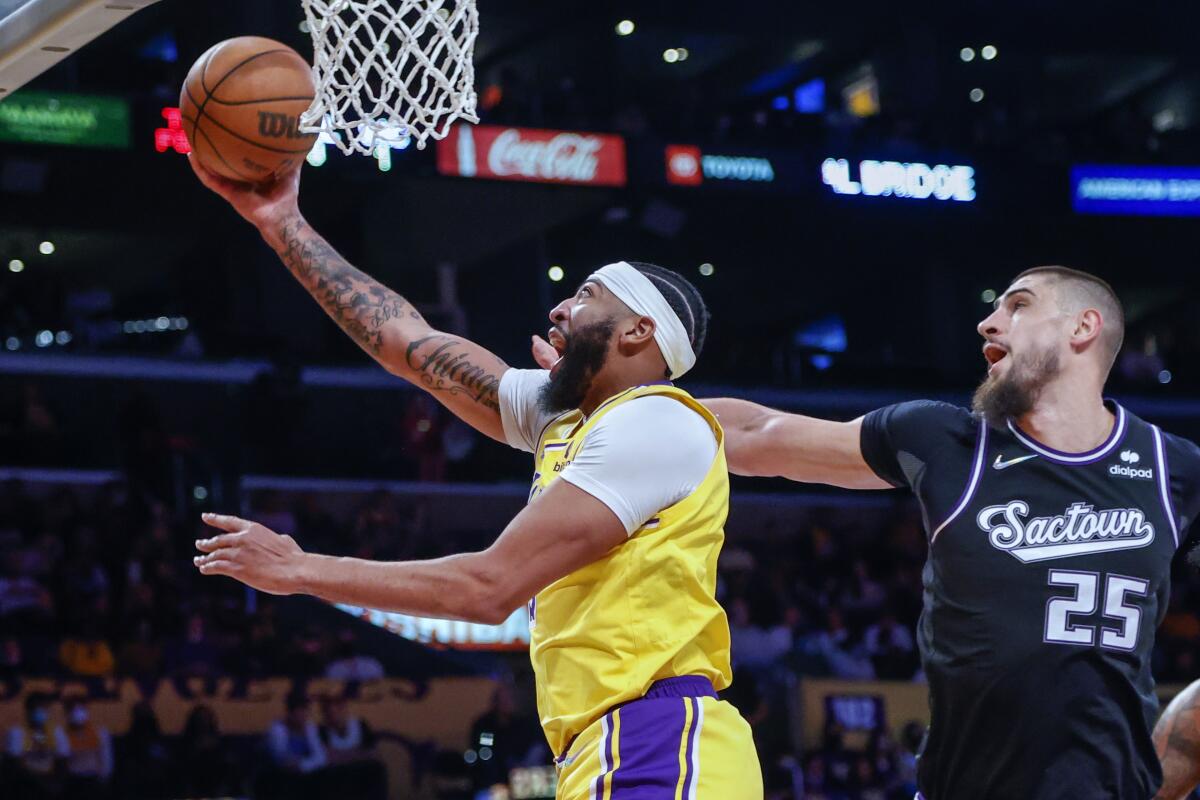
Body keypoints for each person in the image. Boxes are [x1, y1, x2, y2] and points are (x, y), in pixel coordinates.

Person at [187, 157, 762, 798]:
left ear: (638, 330)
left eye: (586, 296)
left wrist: (299, 571)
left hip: (660, 739)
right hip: (608, 748)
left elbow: (488, 588)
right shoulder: (570, 423)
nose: (559, 308)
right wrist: (281, 223)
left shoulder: (654, 422)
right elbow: (405, 341)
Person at [675, 267, 1200, 799]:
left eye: (1017, 306)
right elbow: (758, 432)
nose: (987, 323)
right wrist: (626, 418)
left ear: (1082, 327)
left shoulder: (1172, 468)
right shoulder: (947, 443)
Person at [318, 695, 387, 800]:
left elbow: (373, 753)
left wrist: (341, 755)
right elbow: (327, 758)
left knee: (377, 768)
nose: (332, 716)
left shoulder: (361, 726)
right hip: (338, 776)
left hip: (360, 774)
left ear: (344, 710)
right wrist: (357, 753)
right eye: (327, 713)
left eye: (336, 711)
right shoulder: (322, 731)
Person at [4, 692, 69, 798]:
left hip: (49, 785)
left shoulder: (57, 733)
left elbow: (63, 760)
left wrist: (57, 785)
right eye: (36, 708)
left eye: (44, 708)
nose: (40, 712)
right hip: (24, 787)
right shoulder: (16, 733)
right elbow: (13, 764)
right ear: (28, 711)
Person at [62, 695, 113, 799]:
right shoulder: (62, 735)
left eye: (80, 708)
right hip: (72, 781)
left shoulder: (100, 733)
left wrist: (103, 778)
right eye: (73, 709)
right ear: (67, 713)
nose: (77, 712)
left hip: (93, 781)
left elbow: (106, 759)